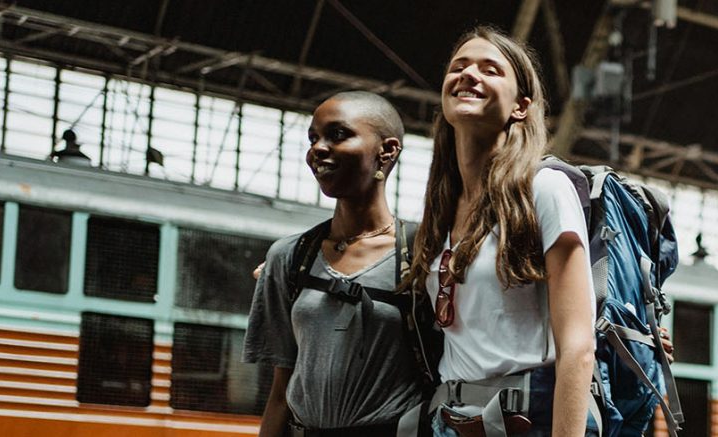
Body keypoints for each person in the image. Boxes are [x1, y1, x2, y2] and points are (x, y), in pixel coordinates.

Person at [404, 26, 597, 436]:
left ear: (520, 107)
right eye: (458, 67)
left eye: (490, 69)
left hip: (527, 420)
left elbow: (578, 348)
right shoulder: (439, 211)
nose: (469, 74)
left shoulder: (544, 188)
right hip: (451, 421)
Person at [244, 91, 436, 437]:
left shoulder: (424, 254)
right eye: (313, 138)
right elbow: (280, 393)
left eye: (338, 134)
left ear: (387, 151)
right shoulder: (289, 258)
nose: (317, 148)